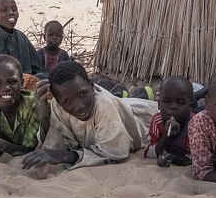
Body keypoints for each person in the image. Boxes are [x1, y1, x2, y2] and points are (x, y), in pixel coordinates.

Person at [21, 61, 157, 174]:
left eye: (82, 94)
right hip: (123, 105)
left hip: (145, 118)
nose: (79, 106)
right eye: (67, 101)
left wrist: (64, 156)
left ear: (91, 85)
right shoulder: (58, 105)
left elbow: (115, 151)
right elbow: (59, 139)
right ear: (57, 100)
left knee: (133, 104)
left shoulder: (103, 105)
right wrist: (43, 109)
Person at [0, 0, 44, 75]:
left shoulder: (21, 37)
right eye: (4, 10)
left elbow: (38, 68)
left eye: (14, 9)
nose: (11, 13)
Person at [144, 75, 193, 167]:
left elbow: (195, 157)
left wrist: (174, 159)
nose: (173, 107)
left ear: (190, 106)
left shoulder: (194, 124)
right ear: (159, 104)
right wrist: (166, 136)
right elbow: (148, 153)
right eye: (167, 101)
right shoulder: (157, 121)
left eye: (180, 102)